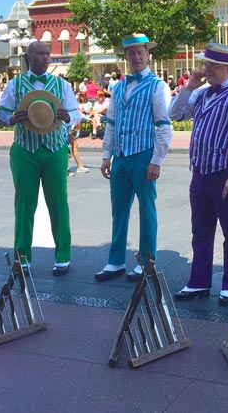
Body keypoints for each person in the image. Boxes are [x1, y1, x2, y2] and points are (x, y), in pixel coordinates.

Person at [168, 43, 228, 306]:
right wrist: (189, 87)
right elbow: (175, 114)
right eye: (205, 64)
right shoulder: (201, 95)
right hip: (200, 173)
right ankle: (199, 281)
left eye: (211, 66)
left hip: (225, 174)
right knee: (201, 232)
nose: (205, 69)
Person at [0, 40, 79, 276]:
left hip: (55, 149)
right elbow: (0, 113)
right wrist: (12, 119)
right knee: (24, 204)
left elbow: (76, 113)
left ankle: (63, 256)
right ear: (29, 57)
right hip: (24, 149)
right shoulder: (15, 84)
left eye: (47, 54)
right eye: (39, 54)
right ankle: (22, 258)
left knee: (59, 203)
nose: (44, 57)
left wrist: (68, 117)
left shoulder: (61, 85)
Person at [95, 33, 172, 282]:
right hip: (121, 157)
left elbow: (164, 125)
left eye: (140, 52)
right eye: (131, 53)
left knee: (147, 208)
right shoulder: (117, 87)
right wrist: (107, 155)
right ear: (126, 57)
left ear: (147, 54)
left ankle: (147, 261)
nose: (136, 57)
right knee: (119, 210)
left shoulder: (158, 86)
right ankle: (116, 261)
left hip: (143, 154)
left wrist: (156, 160)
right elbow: (111, 123)